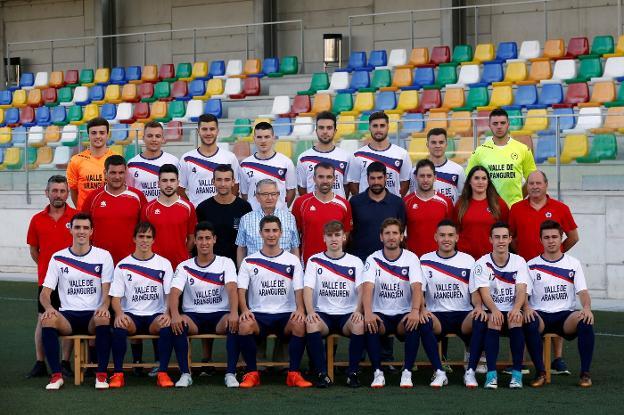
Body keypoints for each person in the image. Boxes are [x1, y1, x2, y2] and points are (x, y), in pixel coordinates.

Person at [362, 218, 447, 388]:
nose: (391, 237)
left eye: (395, 233)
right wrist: (368, 312)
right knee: (370, 323)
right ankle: (378, 372)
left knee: (415, 321)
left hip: (403, 314)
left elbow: (417, 287)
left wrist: (415, 310)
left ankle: (408, 372)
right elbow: (367, 288)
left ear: (402, 236)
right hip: (382, 314)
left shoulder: (411, 258)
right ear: (381, 237)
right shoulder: (373, 259)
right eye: (387, 233)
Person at [509, 170, 579, 374]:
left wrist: (557, 255)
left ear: (546, 185)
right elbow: (511, 237)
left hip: (554, 270)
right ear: (527, 186)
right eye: (531, 183)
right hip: (525, 270)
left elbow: (573, 236)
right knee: (523, 309)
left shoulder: (560, 208)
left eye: (538, 183)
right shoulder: (516, 209)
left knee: (557, 308)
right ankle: (520, 360)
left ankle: (557, 359)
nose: (535, 186)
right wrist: (522, 257)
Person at [39, 212, 114, 390]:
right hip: (67, 317)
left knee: (104, 317)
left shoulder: (103, 256)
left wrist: (104, 305)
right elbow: (45, 292)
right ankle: (56, 376)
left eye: (85, 228)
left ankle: (101, 375)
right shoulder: (58, 257)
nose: (81, 231)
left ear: (91, 231)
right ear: (70, 230)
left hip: (92, 316)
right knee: (47, 319)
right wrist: (49, 307)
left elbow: (107, 289)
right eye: (77, 227)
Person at [236, 215, 312, 388]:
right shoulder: (249, 260)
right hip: (259, 315)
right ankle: (252, 373)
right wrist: (245, 309)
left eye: (275, 230)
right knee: (244, 325)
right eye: (267, 231)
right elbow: (241, 289)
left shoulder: (292, 260)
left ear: (281, 233)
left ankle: (293, 373)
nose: (271, 234)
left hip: (285, 314)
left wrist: (300, 309)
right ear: (260, 233)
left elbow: (298, 288)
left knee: (300, 324)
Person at [164, 221, 241, 388]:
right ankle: (185, 373)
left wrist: (234, 312)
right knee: (177, 324)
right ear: (195, 241)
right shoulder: (184, 265)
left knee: (234, 323)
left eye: (207, 238)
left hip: (220, 314)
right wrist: (175, 314)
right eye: (200, 239)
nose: (204, 242)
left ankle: (230, 373)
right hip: (194, 316)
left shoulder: (225, 262)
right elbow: (174, 292)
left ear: (214, 239)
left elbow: (232, 289)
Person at [522, 220, 594, 388]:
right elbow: (524, 294)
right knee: (529, 321)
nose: (551, 240)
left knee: (586, 320)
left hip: (565, 316)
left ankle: (585, 373)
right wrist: (526, 308)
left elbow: (582, 292)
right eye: (546, 237)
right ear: (541, 240)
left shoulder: (573, 263)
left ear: (561, 238)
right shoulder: (531, 265)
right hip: (540, 315)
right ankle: (540, 372)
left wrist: (587, 308)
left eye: (555, 237)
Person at [418, 219, 488, 389]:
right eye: (442, 235)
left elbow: (475, 293)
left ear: (457, 237)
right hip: (437, 315)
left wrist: (478, 307)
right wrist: (422, 308)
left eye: (450, 235)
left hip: (462, 315)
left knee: (480, 318)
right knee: (423, 321)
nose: (446, 239)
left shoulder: (468, 261)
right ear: (435, 237)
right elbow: (419, 292)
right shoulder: (425, 260)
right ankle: (439, 371)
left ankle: (470, 371)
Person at [108, 222, 175, 388]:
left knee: (166, 326)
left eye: (148, 237)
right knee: (120, 325)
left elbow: (169, 295)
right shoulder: (123, 265)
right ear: (134, 239)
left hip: (155, 316)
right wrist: (119, 314)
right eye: (141, 236)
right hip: (132, 316)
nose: (144, 240)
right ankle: (118, 374)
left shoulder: (164, 264)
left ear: (153, 240)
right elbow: (115, 297)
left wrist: (168, 313)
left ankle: (162, 373)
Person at [303, 221, 365, 388]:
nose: (334, 239)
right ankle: (322, 374)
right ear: (324, 238)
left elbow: (362, 290)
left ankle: (352, 373)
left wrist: (359, 311)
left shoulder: (355, 262)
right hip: (323, 314)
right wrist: (309, 312)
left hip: (347, 314)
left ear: (344, 237)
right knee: (311, 324)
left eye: (337, 235)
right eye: (329, 235)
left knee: (359, 325)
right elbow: (307, 289)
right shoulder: (314, 261)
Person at [26, 175, 77, 379]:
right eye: (54, 191)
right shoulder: (37, 219)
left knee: (69, 320)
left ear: (67, 193)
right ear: (47, 193)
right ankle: (40, 363)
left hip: (71, 281)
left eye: (62, 191)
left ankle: (65, 362)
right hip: (47, 282)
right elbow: (33, 250)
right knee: (43, 320)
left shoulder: (76, 218)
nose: (58, 195)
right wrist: (48, 271)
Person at [470, 222, 531, 389]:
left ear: (510, 239)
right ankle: (491, 375)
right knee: (493, 320)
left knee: (516, 320)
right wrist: (495, 310)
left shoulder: (519, 261)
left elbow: (521, 290)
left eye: (505, 237)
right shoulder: (482, 262)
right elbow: (484, 292)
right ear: (490, 239)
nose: (501, 241)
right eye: (497, 237)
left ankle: (517, 375)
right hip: (493, 309)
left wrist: (517, 308)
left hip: (513, 308)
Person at [82, 155, 148, 265]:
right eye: (113, 173)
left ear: (126, 173)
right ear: (105, 173)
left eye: (121, 173)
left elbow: (146, 230)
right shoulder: (93, 197)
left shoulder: (138, 196)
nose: (117, 177)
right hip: (98, 261)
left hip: (131, 261)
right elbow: (83, 229)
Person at [466, 108, 537, 207]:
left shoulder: (523, 149)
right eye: (495, 124)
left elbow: (532, 181)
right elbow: (469, 181)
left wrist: (519, 197)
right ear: (489, 126)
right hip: (489, 208)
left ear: (508, 124)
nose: (499, 127)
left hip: (514, 208)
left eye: (502, 123)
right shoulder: (479, 152)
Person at [292, 162, 352, 265]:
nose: (325, 181)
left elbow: (346, 232)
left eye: (329, 177)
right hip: (307, 263)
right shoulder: (301, 203)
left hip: (335, 264)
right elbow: (294, 234)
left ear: (334, 179)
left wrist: (335, 255)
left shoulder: (344, 204)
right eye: (321, 177)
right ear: (314, 179)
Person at [178, 113, 241, 207]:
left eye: (212, 129)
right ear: (198, 131)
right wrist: (192, 208)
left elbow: (235, 187)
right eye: (204, 129)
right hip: (199, 217)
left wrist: (227, 206)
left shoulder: (230, 158)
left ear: (217, 131)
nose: (208, 133)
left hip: (223, 212)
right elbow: (179, 189)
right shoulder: (187, 158)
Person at [142, 164, 197, 269]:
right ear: (158, 183)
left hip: (181, 265)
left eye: (172, 180)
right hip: (154, 266)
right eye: (164, 181)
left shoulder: (188, 207)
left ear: (178, 183)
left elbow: (191, 237)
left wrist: (183, 254)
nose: (168, 184)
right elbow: (143, 238)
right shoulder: (148, 209)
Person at [349, 162, 406, 263]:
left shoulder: (397, 203)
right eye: (372, 178)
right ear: (367, 179)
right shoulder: (355, 202)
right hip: (361, 260)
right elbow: (350, 233)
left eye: (379, 178)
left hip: (389, 261)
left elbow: (401, 233)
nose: (376, 182)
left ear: (386, 178)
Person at [235, 179, 299, 268]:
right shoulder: (246, 219)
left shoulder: (289, 218)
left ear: (278, 195)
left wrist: (296, 272)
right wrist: (242, 274)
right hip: (255, 273)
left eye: (273, 194)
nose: (269, 198)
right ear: (257, 196)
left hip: (284, 273)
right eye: (265, 194)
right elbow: (241, 249)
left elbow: (294, 248)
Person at [196, 164, 252, 264]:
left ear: (233, 182)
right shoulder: (203, 208)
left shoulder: (244, 207)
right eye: (219, 180)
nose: (223, 184)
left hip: (237, 264)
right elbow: (198, 239)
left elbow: (249, 240)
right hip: (210, 265)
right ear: (213, 182)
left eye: (227, 180)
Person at [347, 111, 412, 197]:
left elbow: (405, 182)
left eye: (382, 126)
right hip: (367, 207)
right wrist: (364, 201)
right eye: (375, 126)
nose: (378, 130)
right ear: (369, 128)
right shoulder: (357, 155)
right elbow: (353, 183)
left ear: (388, 127)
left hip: (391, 207)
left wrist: (394, 201)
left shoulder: (402, 154)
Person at [455, 165, 509, 260]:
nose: (480, 182)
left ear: (488, 182)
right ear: (470, 182)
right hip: (465, 259)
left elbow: (507, 231)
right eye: (476, 178)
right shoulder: (461, 204)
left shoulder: (499, 203)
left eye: (484, 178)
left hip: (492, 259)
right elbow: (454, 231)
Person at [240, 121, 297, 211]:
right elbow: (245, 194)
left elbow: (291, 191)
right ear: (254, 139)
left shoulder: (286, 163)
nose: (263, 141)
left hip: (278, 217)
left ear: (273, 138)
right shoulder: (245, 164)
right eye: (259, 137)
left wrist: (280, 209)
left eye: (267, 137)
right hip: (254, 215)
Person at [404, 159, 453, 257]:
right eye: (422, 176)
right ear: (415, 177)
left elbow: (453, 232)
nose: (425, 180)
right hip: (414, 260)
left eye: (429, 176)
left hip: (439, 260)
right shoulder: (406, 202)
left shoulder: (446, 202)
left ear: (435, 177)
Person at [296, 111, 350, 198]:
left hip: (337, 209)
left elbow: (346, 186)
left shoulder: (346, 157)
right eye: (321, 128)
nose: (325, 131)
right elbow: (302, 188)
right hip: (313, 209)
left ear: (335, 131)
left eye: (329, 128)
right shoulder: (304, 158)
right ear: (316, 131)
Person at [66, 117, 115, 210]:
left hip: (109, 212)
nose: (98, 136)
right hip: (85, 217)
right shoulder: (76, 160)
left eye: (102, 133)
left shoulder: (115, 158)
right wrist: (81, 210)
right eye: (93, 133)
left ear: (107, 135)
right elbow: (73, 190)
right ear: (88, 135)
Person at [127, 121, 179, 201]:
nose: (154, 139)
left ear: (163, 139)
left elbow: (178, 190)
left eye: (157, 136)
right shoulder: (132, 164)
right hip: (142, 211)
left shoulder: (173, 161)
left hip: (166, 210)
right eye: (150, 136)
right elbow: (129, 193)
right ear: (143, 138)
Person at [409, 128, 465, 203]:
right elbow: (414, 197)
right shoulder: (416, 171)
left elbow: (463, 197)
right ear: (427, 145)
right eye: (433, 142)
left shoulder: (458, 170)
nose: (437, 146)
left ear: (446, 144)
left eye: (441, 142)